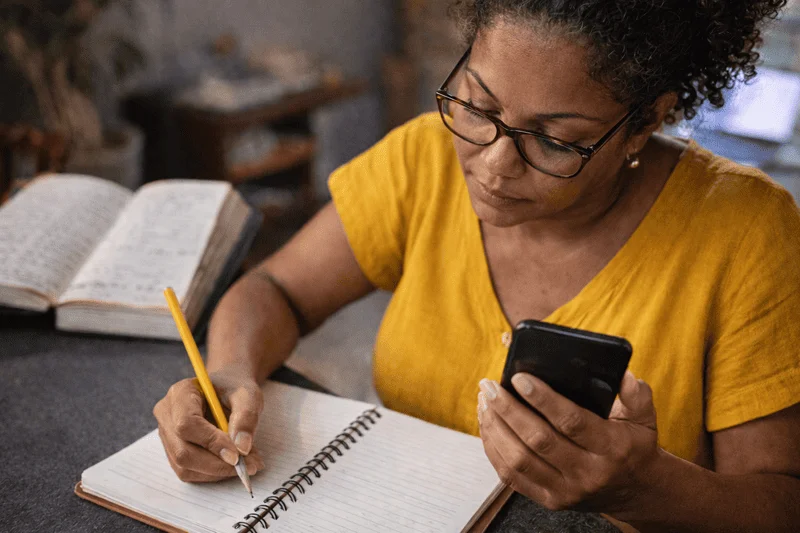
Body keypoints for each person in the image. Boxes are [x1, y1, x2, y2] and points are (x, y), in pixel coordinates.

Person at [153, 0, 800, 530]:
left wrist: (643, 488)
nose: (490, 166)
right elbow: (276, 288)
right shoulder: (423, 161)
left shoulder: (745, 229)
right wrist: (230, 372)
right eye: (479, 105)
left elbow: (780, 503)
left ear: (644, 123)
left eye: (553, 140)